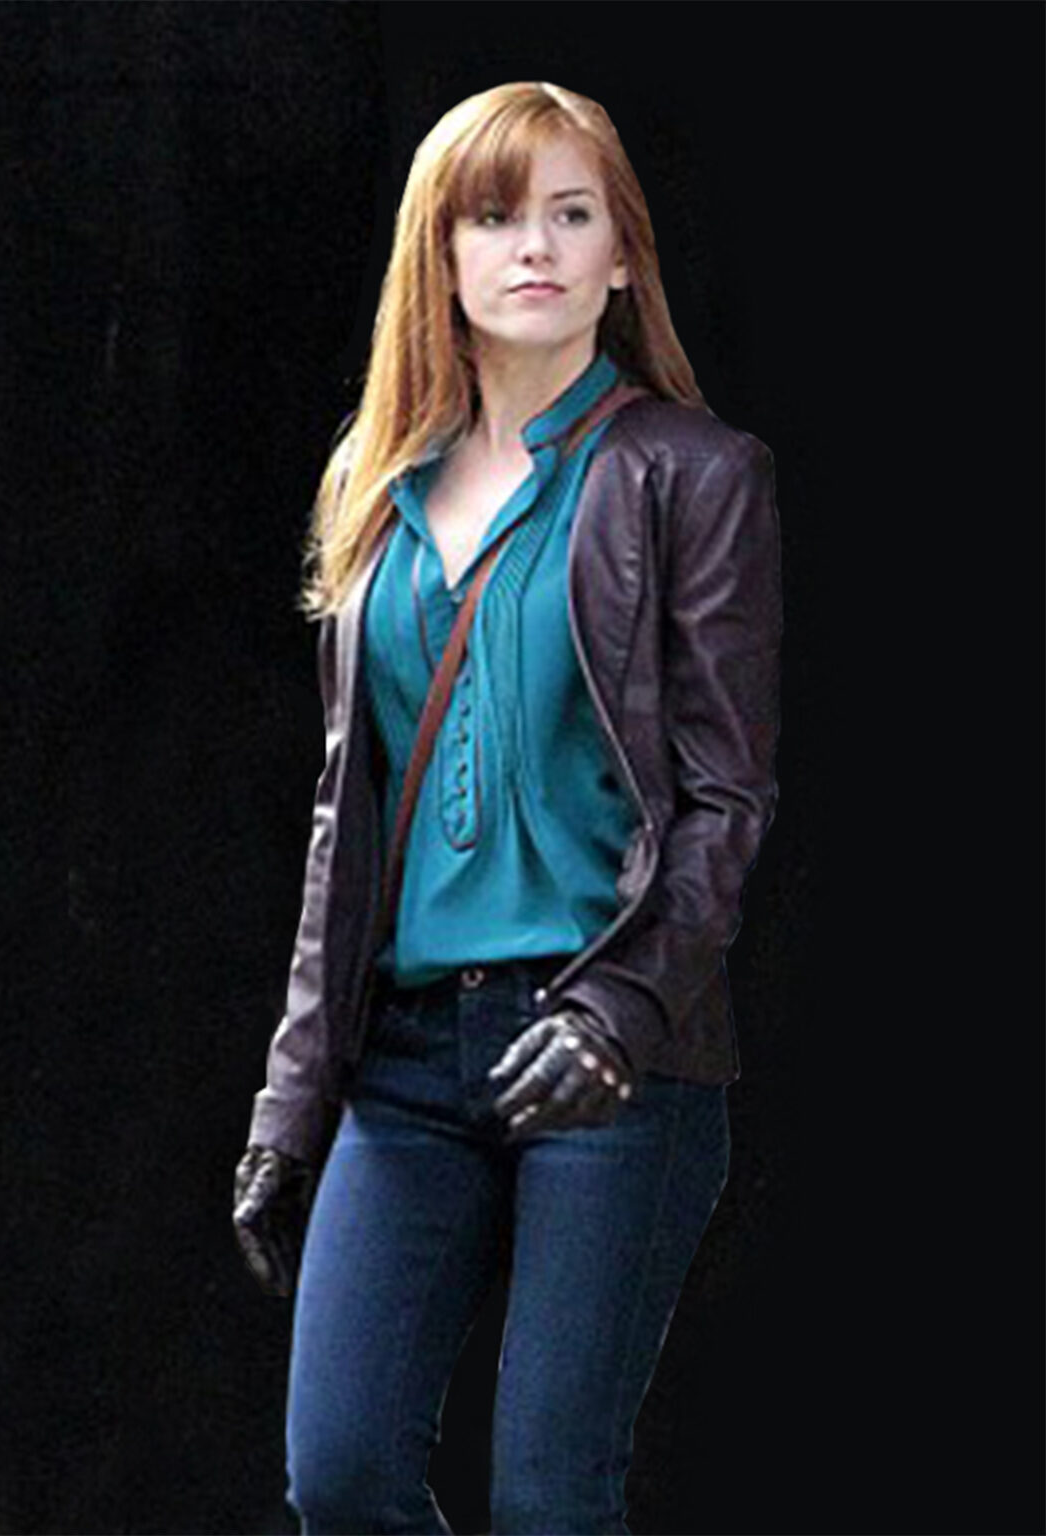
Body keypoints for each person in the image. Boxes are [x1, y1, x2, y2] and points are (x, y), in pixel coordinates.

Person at [233, 80, 781, 1536]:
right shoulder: (378, 492)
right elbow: (345, 825)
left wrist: (621, 1016)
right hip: (408, 1057)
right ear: (442, 257)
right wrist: (294, 1103)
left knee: (547, 1498)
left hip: (607, 1053)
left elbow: (725, 800)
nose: (533, 245)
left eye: (571, 213)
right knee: (342, 1473)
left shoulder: (693, 477)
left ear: (623, 257)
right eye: (493, 216)